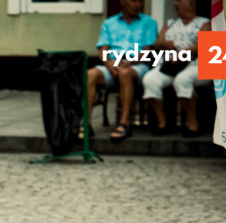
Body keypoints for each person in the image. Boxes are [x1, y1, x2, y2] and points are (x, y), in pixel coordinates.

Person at [85, 0, 158, 141]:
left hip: (137, 64)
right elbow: (103, 51)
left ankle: (124, 123)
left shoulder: (149, 22)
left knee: (125, 74)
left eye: (140, 2)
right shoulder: (109, 23)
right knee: (90, 75)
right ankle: (86, 124)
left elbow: (147, 52)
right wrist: (109, 64)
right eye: (134, 1)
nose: (138, 5)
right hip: (113, 63)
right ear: (122, 2)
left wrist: (129, 62)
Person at [141, 0, 209, 136]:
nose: (174, 4)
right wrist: (165, 44)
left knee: (182, 80)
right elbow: (157, 43)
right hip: (170, 65)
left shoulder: (204, 23)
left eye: (179, 1)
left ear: (191, 3)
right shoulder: (170, 23)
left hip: (195, 65)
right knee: (149, 80)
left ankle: (192, 124)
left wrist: (186, 52)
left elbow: (207, 44)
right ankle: (162, 123)